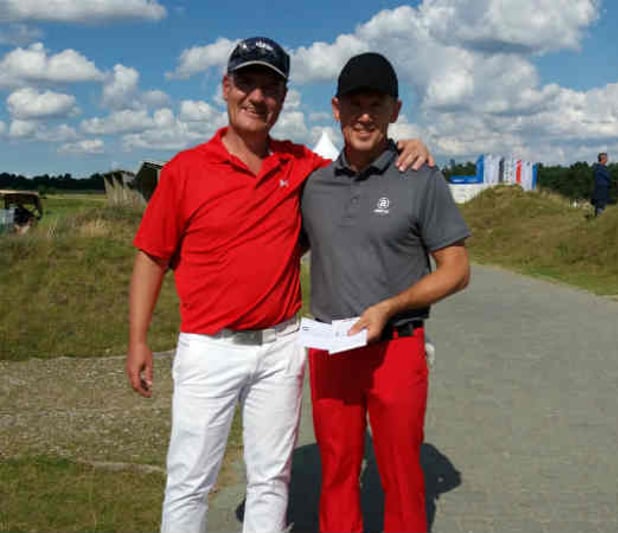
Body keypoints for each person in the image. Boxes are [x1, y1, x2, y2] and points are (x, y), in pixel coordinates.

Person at [126, 37, 432, 533]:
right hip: (209, 346)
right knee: (190, 480)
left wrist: (408, 145)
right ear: (226, 88)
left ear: (284, 99)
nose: (257, 97)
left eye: (271, 88)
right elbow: (152, 257)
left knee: (271, 478)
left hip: (281, 346)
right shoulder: (185, 170)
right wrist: (138, 339)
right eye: (247, 83)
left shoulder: (300, 167)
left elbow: (360, 156)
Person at [300, 52, 470, 533]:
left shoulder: (421, 178)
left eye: (378, 104)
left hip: (395, 346)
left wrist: (391, 306)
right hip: (331, 349)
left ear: (395, 111)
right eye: (355, 104)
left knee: (400, 474)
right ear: (336, 108)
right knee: (335, 471)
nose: (365, 116)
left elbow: (457, 270)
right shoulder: (314, 183)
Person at [592, 152, 611, 217]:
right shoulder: (600, 168)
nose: (607, 160)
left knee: (599, 206)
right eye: (606, 158)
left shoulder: (598, 168)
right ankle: (599, 221)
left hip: (601, 191)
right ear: (603, 159)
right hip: (601, 191)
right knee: (600, 207)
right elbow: (608, 177)